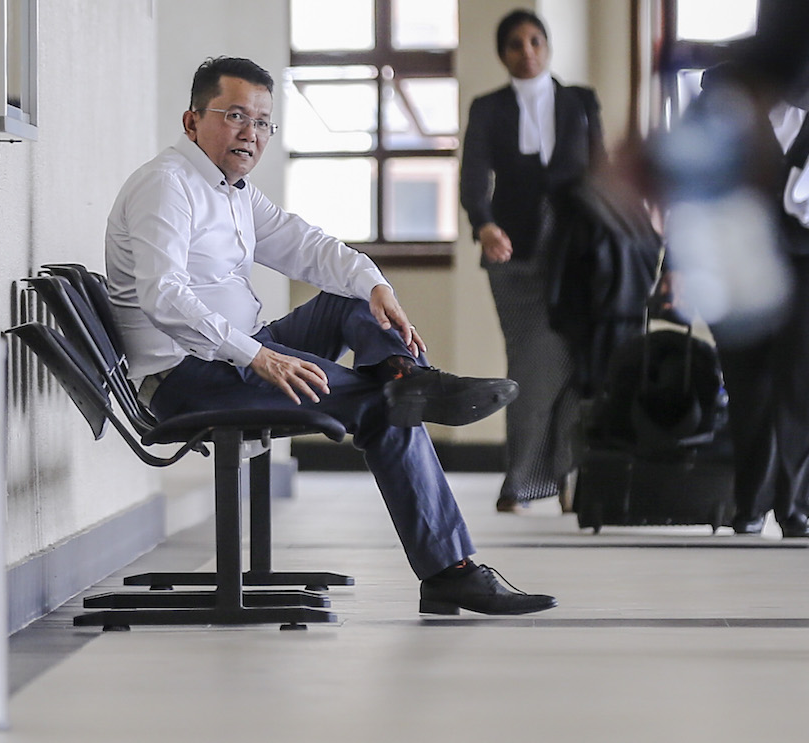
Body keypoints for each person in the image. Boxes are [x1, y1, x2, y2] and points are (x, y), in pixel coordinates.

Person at [104, 55, 557, 615]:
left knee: (351, 299)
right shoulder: (167, 187)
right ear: (192, 120)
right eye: (235, 116)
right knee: (382, 406)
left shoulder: (234, 191)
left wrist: (375, 283)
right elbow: (164, 297)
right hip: (188, 378)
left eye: (264, 122)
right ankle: (450, 569)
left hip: (235, 354)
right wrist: (258, 356)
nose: (251, 133)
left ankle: (406, 373)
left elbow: (307, 246)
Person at [655, 57, 809, 539]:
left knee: (807, 378)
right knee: (748, 381)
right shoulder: (723, 87)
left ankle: (794, 503)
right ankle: (750, 501)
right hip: (735, 255)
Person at [459, 10, 608, 514]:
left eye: (535, 41)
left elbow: (602, 173)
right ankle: (519, 483)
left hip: (576, 254)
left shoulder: (580, 102)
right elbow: (474, 173)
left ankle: (565, 482)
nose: (527, 51)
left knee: (572, 363)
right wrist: (483, 223)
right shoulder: (489, 108)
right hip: (514, 254)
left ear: (547, 46)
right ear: (503, 54)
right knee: (531, 360)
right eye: (516, 44)